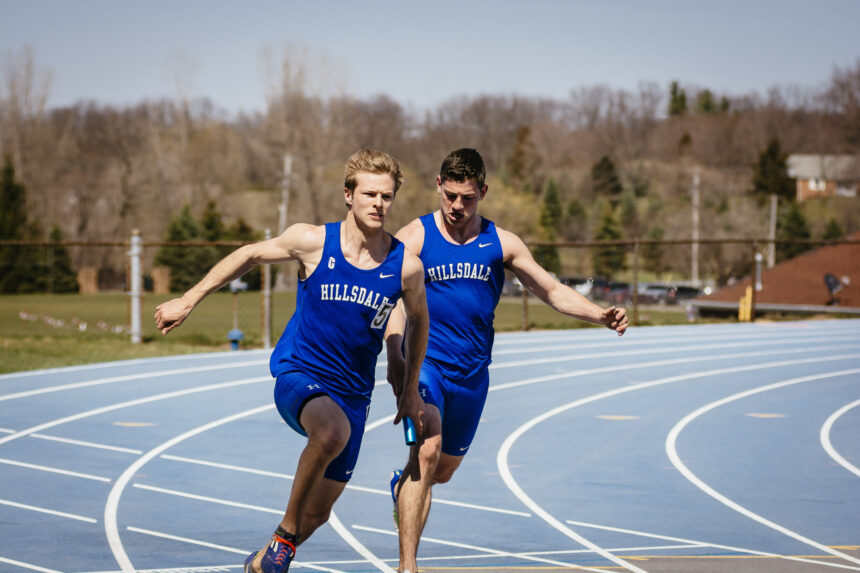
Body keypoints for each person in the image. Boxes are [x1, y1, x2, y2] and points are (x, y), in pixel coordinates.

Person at [154, 149, 429, 573]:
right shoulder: (313, 242)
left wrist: (407, 384)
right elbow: (248, 254)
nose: (378, 204)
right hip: (299, 374)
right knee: (330, 432)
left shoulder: (405, 267)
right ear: (348, 195)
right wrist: (189, 299)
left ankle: (261, 563)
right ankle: (283, 538)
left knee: (318, 513)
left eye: (387, 196)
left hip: (355, 395)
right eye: (370, 193)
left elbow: (420, 320)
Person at [385, 148, 628, 573]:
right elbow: (395, 303)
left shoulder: (502, 243)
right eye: (451, 196)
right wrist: (395, 356)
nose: (457, 207)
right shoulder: (416, 237)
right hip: (427, 368)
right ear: (438, 186)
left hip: (472, 379)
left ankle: (404, 486)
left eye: (468, 198)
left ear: (483, 191)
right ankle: (408, 567)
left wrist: (600, 314)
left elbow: (550, 290)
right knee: (427, 451)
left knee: (441, 472)